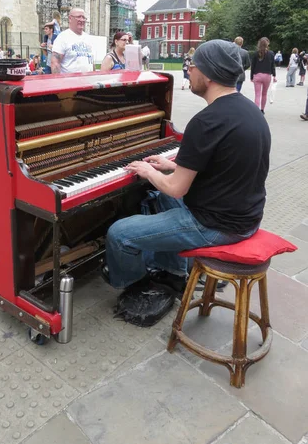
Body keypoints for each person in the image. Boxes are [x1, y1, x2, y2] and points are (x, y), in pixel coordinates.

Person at [102, 40, 270, 292]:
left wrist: (148, 171)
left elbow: (176, 189)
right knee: (160, 198)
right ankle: (173, 271)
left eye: (193, 65)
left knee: (119, 233)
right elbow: (219, 162)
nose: (188, 70)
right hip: (246, 217)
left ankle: (136, 284)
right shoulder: (250, 110)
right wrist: (171, 165)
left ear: (209, 74)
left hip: (217, 227)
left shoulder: (206, 121)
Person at [51, 8, 94, 73]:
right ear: (70, 18)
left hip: (88, 81)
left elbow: (91, 63)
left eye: (83, 17)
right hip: (69, 81)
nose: (82, 20)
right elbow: (55, 63)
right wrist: (58, 81)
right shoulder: (62, 37)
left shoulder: (88, 38)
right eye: (78, 17)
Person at [250, 37, 276, 114]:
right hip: (267, 76)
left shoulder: (255, 53)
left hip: (257, 75)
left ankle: (256, 111)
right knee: (264, 94)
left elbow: (253, 66)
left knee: (257, 94)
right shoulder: (271, 53)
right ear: (267, 44)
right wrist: (274, 75)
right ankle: (262, 110)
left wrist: (251, 77)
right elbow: (272, 65)